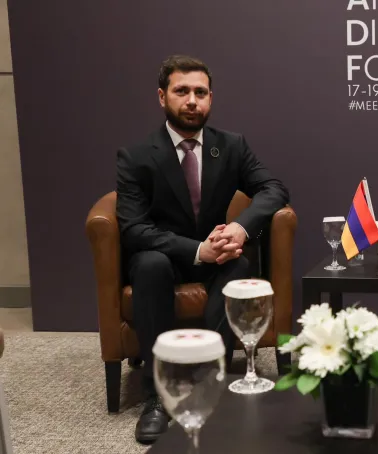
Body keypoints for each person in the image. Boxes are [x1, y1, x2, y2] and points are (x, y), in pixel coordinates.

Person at [116, 55, 290, 444]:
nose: (192, 100)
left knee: (239, 267)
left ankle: (213, 385)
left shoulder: (231, 146)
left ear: (211, 98)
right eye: (182, 91)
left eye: (200, 92)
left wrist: (240, 228)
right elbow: (134, 228)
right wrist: (198, 250)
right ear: (162, 97)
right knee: (150, 266)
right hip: (164, 256)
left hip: (217, 255)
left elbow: (274, 188)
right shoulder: (136, 156)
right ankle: (157, 396)